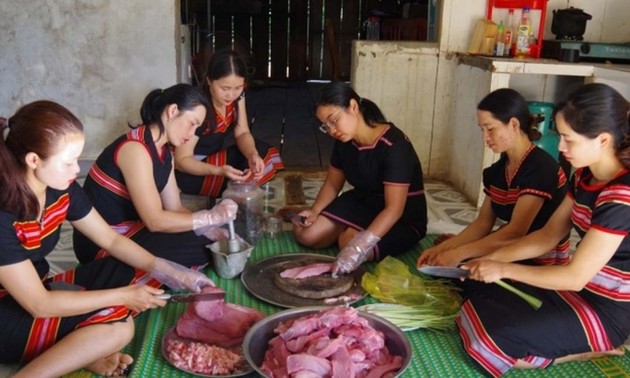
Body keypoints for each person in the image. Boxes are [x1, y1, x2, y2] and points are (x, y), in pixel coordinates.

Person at [0, 101, 216, 377]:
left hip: (39, 291)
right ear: (33, 160)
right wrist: (123, 296)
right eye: (68, 162)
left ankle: (78, 351)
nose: (76, 169)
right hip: (10, 311)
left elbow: (110, 240)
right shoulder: (4, 214)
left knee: (129, 270)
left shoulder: (61, 191)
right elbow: (39, 304)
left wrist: (166, 269)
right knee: (120, 326)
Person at [458, 83, 630, 376]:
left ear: (602, 140)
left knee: (489, 339)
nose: (560, 147)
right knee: (475, 290)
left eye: (568, 139)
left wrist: (504, 269)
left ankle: (588, 349)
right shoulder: (585, 176)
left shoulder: (621, 195)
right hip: (577, 291)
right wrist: (495, 260)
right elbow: (548, 235)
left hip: (606, 311)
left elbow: (574, 277)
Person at [73, 84, 238, 267]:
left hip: (133, 230)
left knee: (207, 245)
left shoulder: (165, 152)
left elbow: (174, 208)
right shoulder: (135, 149)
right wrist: (208, 217)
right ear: (173, 111)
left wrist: (208, 228)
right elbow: (154, 221)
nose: (191, 135)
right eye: (192, 124)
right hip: (102, 240)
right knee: (199, 251)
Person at [417, 88, 569, 268]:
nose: (485, 138)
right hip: (509, 248)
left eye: (490, 129)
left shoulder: (540, 168)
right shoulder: (498, 171)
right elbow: (482, 223)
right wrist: (444, 249)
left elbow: (516, 232)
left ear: (513, 124)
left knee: (471, 280)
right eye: (482, 130)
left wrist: (459, 253)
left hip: (540, 259)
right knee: (451, 264)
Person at [292, 82, 427, 275]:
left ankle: (347, 229)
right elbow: (332, 183)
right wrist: (315, 211)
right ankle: (344, 226)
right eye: (325, 126)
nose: (331, 130)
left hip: (401, 217)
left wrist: (359, 247)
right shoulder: (344, 141)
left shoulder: (395, 146)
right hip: (364, 203)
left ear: (353, 107)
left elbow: (394, 209)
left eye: (333, 120)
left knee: (349, 243)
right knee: (307, 234)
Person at [174, 49, 284, 198]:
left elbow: (242, 132)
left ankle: (239, 182)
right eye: (224, 88)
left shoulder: (238, 98)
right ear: (209, 80)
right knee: (237, 173)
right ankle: (237, 186)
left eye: (238, 88)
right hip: (189, 170)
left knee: (259, 153)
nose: (231, 95)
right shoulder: (197, 107)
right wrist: (218, 170)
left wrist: (252, 154)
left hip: (213, 158)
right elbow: (182, 161)